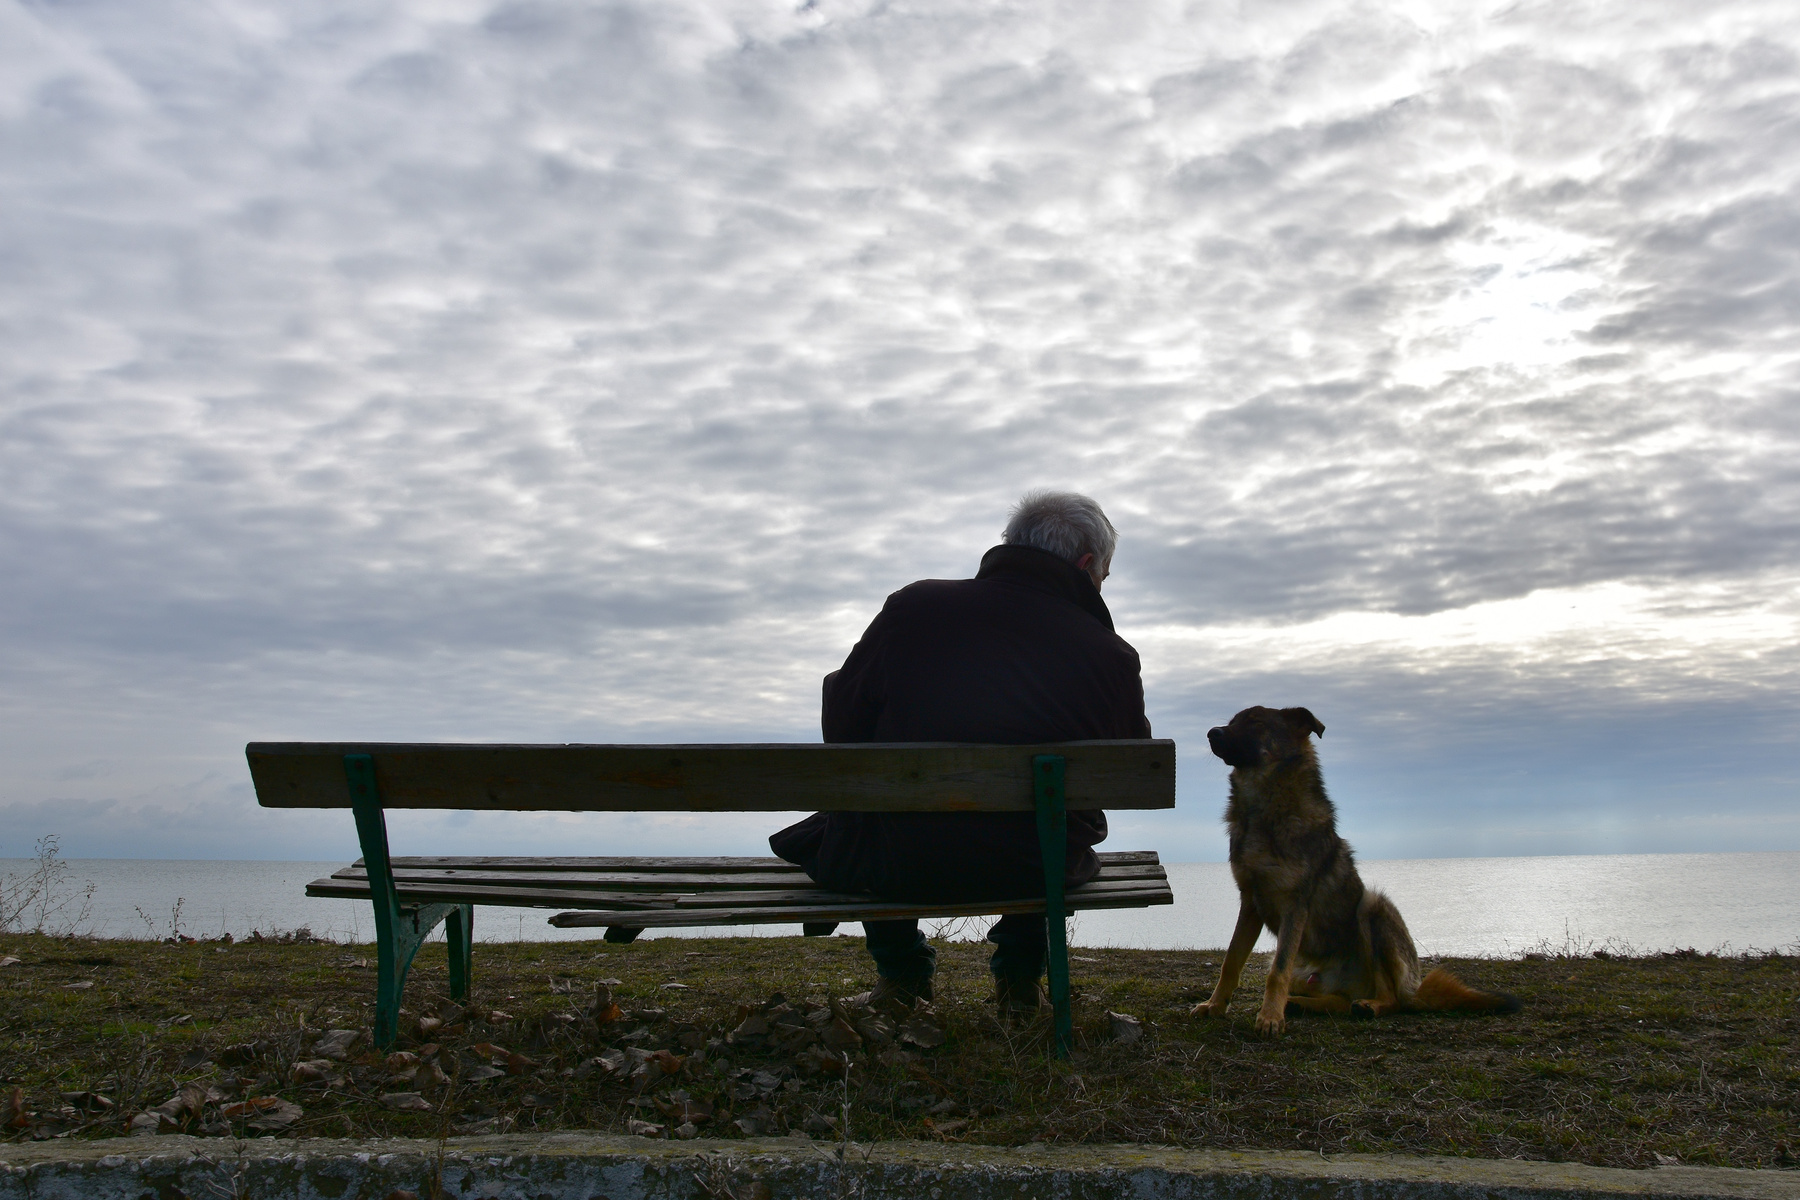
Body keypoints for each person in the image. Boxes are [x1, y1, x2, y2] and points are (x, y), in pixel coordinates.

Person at [769, 490, 1151, 1017]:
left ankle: (902, 976)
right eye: (1104, 576)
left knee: (869, 807)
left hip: (897, 861)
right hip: (1036, 867)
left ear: (1011, 545)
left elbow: (844, 728)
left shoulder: (914, 607)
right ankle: (1018, 982)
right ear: (1087, 566)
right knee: (1049, 820)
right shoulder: (1110, 654)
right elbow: (1130, 763)